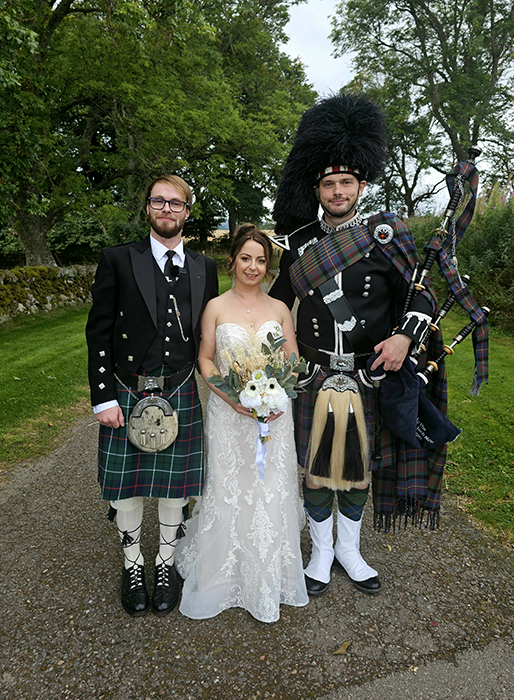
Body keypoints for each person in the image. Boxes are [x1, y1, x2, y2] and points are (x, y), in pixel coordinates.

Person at [269, 94, 437, 597]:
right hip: (317, 375)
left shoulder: (384, 238)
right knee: (318, 472)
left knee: (360, 470)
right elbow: (274, 307)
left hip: (370, 375)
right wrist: (280, 349)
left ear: (361, 185)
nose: (337, 191)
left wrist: (406, 335)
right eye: (328, 183)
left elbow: (422, 296)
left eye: (346, 182)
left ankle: (350, 551)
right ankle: (320, 554)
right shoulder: (299, 245)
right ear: (317, 188)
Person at [85, 174, 218, 617]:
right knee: (127, 488)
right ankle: (132, 565)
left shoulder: (203, 267)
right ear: (147, 208)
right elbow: (99, 330)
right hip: (128, 387)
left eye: (175, 203)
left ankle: (165, 564)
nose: (167, 209)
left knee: (174, 488)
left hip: (179, 388)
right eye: (158, 201)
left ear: (187, 211)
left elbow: (213, 335)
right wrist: (103, 396)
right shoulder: (119, 259)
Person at [175, 223, 309, 623]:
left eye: (261, 260)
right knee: (231, 486)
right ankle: (224, 571)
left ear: (269, 267)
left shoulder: (280, 309)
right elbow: (205, 360)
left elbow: (291, 361)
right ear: (232, 260)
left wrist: (276, 394)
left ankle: (268, 573)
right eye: (246, 258)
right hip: (229, 414)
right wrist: (231, 398)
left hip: (273, 416)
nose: (252, 267)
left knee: (269, 489)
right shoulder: (216, 307)